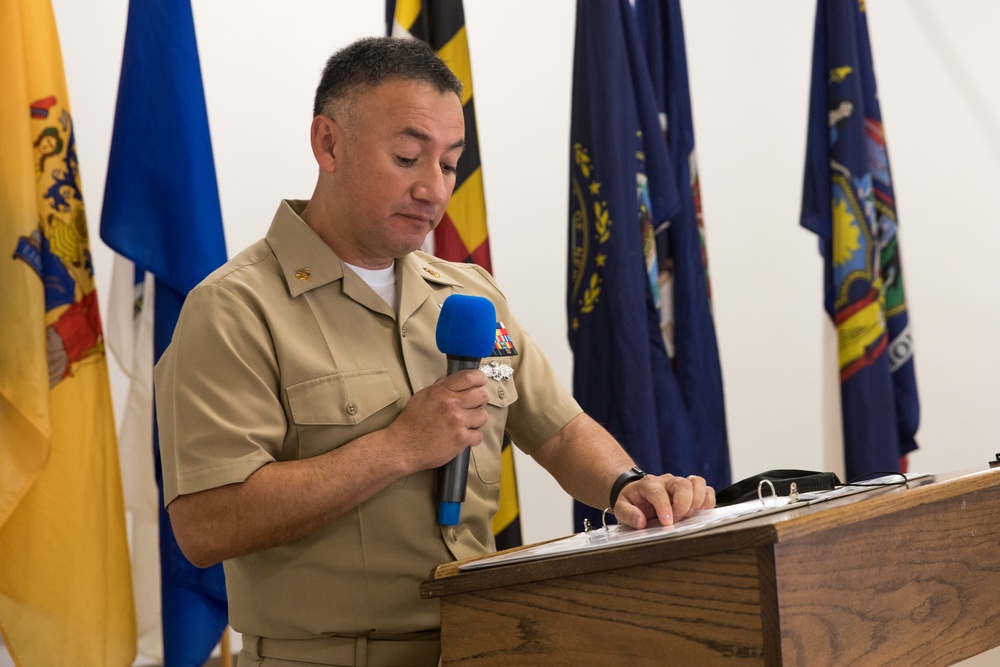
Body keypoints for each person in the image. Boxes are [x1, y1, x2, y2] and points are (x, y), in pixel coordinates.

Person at [154, 36, 716, 667]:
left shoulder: (470, 297)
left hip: (485, 644)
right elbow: (205, 527)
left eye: (449, 165)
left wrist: (626, 485)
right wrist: (397, 447)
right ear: (328, 144)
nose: (433, 190)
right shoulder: (233, 310)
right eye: (406, 157)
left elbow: (558, 431)